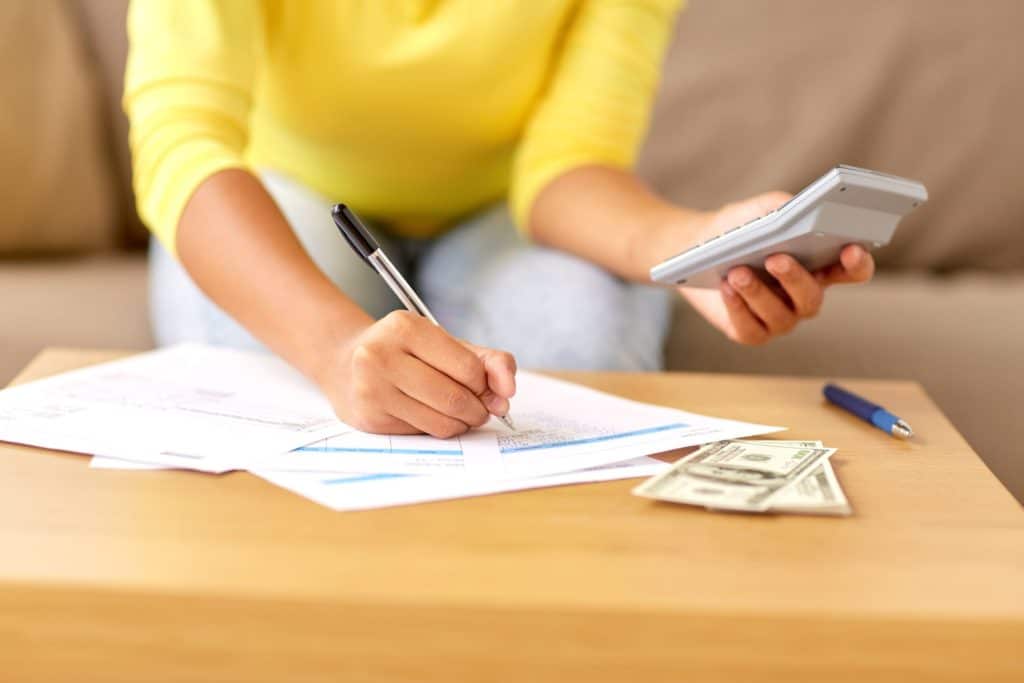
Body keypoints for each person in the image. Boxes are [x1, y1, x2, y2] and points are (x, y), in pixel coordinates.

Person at [124, 1, 874, 439]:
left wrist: (693, 249)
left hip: (508, 213)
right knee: (263, 381)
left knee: (578, 337)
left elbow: (572, 164)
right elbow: (183, 139)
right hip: (293, 194)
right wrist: (333, 348)